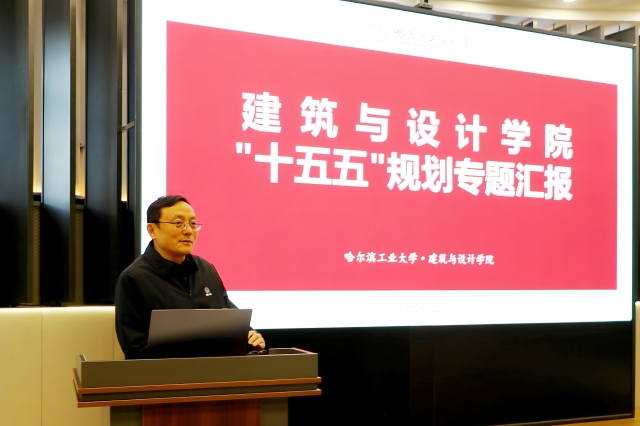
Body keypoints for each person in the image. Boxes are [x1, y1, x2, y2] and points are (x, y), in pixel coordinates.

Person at [115, 195, 265, 359]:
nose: (188, 231)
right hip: (165, 373)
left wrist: (250, 335)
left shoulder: (206, 269)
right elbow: (135, 348)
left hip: (215, 369)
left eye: (193, 224)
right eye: (178, 223)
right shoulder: (133, 278)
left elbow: (230, 318)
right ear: (152, 230)